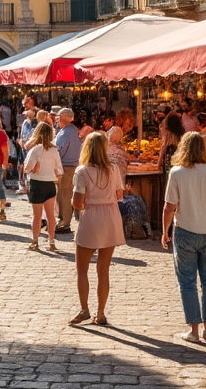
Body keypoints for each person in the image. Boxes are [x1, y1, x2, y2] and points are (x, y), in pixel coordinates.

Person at [162, 131, 206, 343]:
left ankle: (194, 330)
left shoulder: (177, 172)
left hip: (185, 231)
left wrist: (165, 231)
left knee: (187, 281)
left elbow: (170, 207)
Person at [69, 132, 124, 326]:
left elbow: (77, 202)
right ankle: (100, 312)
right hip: (110, 217)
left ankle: (84, 309)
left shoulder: (82, 171)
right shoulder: (113, 169)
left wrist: (83, 203)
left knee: (82, 269)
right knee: (104, 269)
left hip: (92, 217)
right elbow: (119, 194)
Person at [23, 121, 63, 251]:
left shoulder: (35, 150)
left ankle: (35, 241)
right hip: (50, 183)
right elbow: (60, 170)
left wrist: (34, 168)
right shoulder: (54, 150)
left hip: (37, 183)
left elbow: (27, 168)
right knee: (51, 215)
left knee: (37, 215)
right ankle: (51, 241)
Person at [54, 107, 82, 235]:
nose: (57, 119)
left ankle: (64, 222)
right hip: (70, 166)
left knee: (64, 196)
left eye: (59, 117)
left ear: (64, 118)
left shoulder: (66, 133)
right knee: (64, 194)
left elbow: (58, 151)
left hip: (66, 167)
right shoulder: (71, 131)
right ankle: (63, 221)